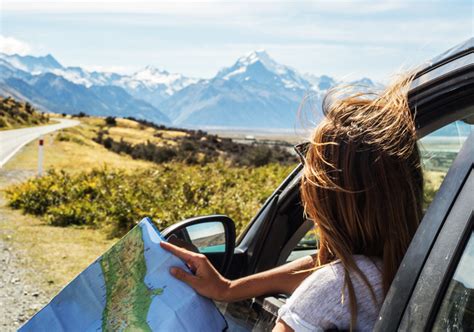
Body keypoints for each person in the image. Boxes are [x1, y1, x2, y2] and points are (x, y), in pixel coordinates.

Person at [160, 74, 424, 331]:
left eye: (310, 173)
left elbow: (329, 279)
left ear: (327, 197)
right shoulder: (416, 264)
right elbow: (321, 266)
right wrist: (226, 289)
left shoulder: (333, 291)